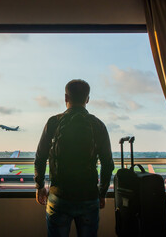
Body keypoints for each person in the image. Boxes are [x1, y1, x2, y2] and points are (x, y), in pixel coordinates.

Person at [34, 79, 114, 237]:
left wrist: (39, 186)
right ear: (87, 99)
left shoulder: (53, 122)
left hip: (59, 196)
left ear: (65, 98)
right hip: (89, 197)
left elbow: (40, 156)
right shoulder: (98, 125)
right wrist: (102, 193)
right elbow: (108, 163)